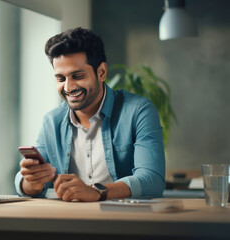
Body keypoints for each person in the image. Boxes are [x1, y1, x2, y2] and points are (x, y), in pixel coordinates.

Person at [14, 27, 165, 202]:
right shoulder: (51, 121)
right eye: (61, 79)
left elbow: (152, 180)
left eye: (77, 76)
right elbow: (26, 183)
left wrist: (97, 191)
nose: (68, 88)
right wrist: (31, 182)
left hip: (125, 223)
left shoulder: (138, 111)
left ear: (101, 72)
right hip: (69, 223)